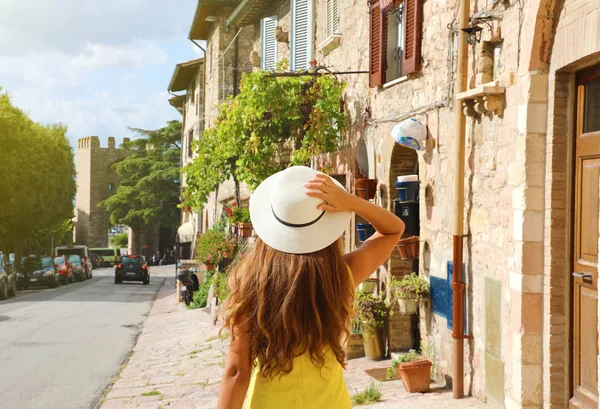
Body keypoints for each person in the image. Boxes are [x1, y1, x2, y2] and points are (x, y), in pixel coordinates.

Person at [216, 166, 405, 409]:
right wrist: (350, 202)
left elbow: (236, 372)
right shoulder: (341, 277)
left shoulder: (251, 284)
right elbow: (393, 229)